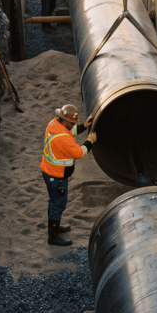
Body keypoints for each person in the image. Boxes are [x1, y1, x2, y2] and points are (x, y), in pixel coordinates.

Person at [40, 104, 97, 246]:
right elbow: (80, 152)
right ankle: (53, 237)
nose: (73, 126)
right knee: (58, 204)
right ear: (65, 121)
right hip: (57, 176)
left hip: (49, 172)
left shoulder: (54, 124)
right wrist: (90, 141)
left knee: (53, 202)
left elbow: (70, 132)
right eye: (72, 123)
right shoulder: (63, 139)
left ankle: (55, 227)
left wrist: (84, 126)